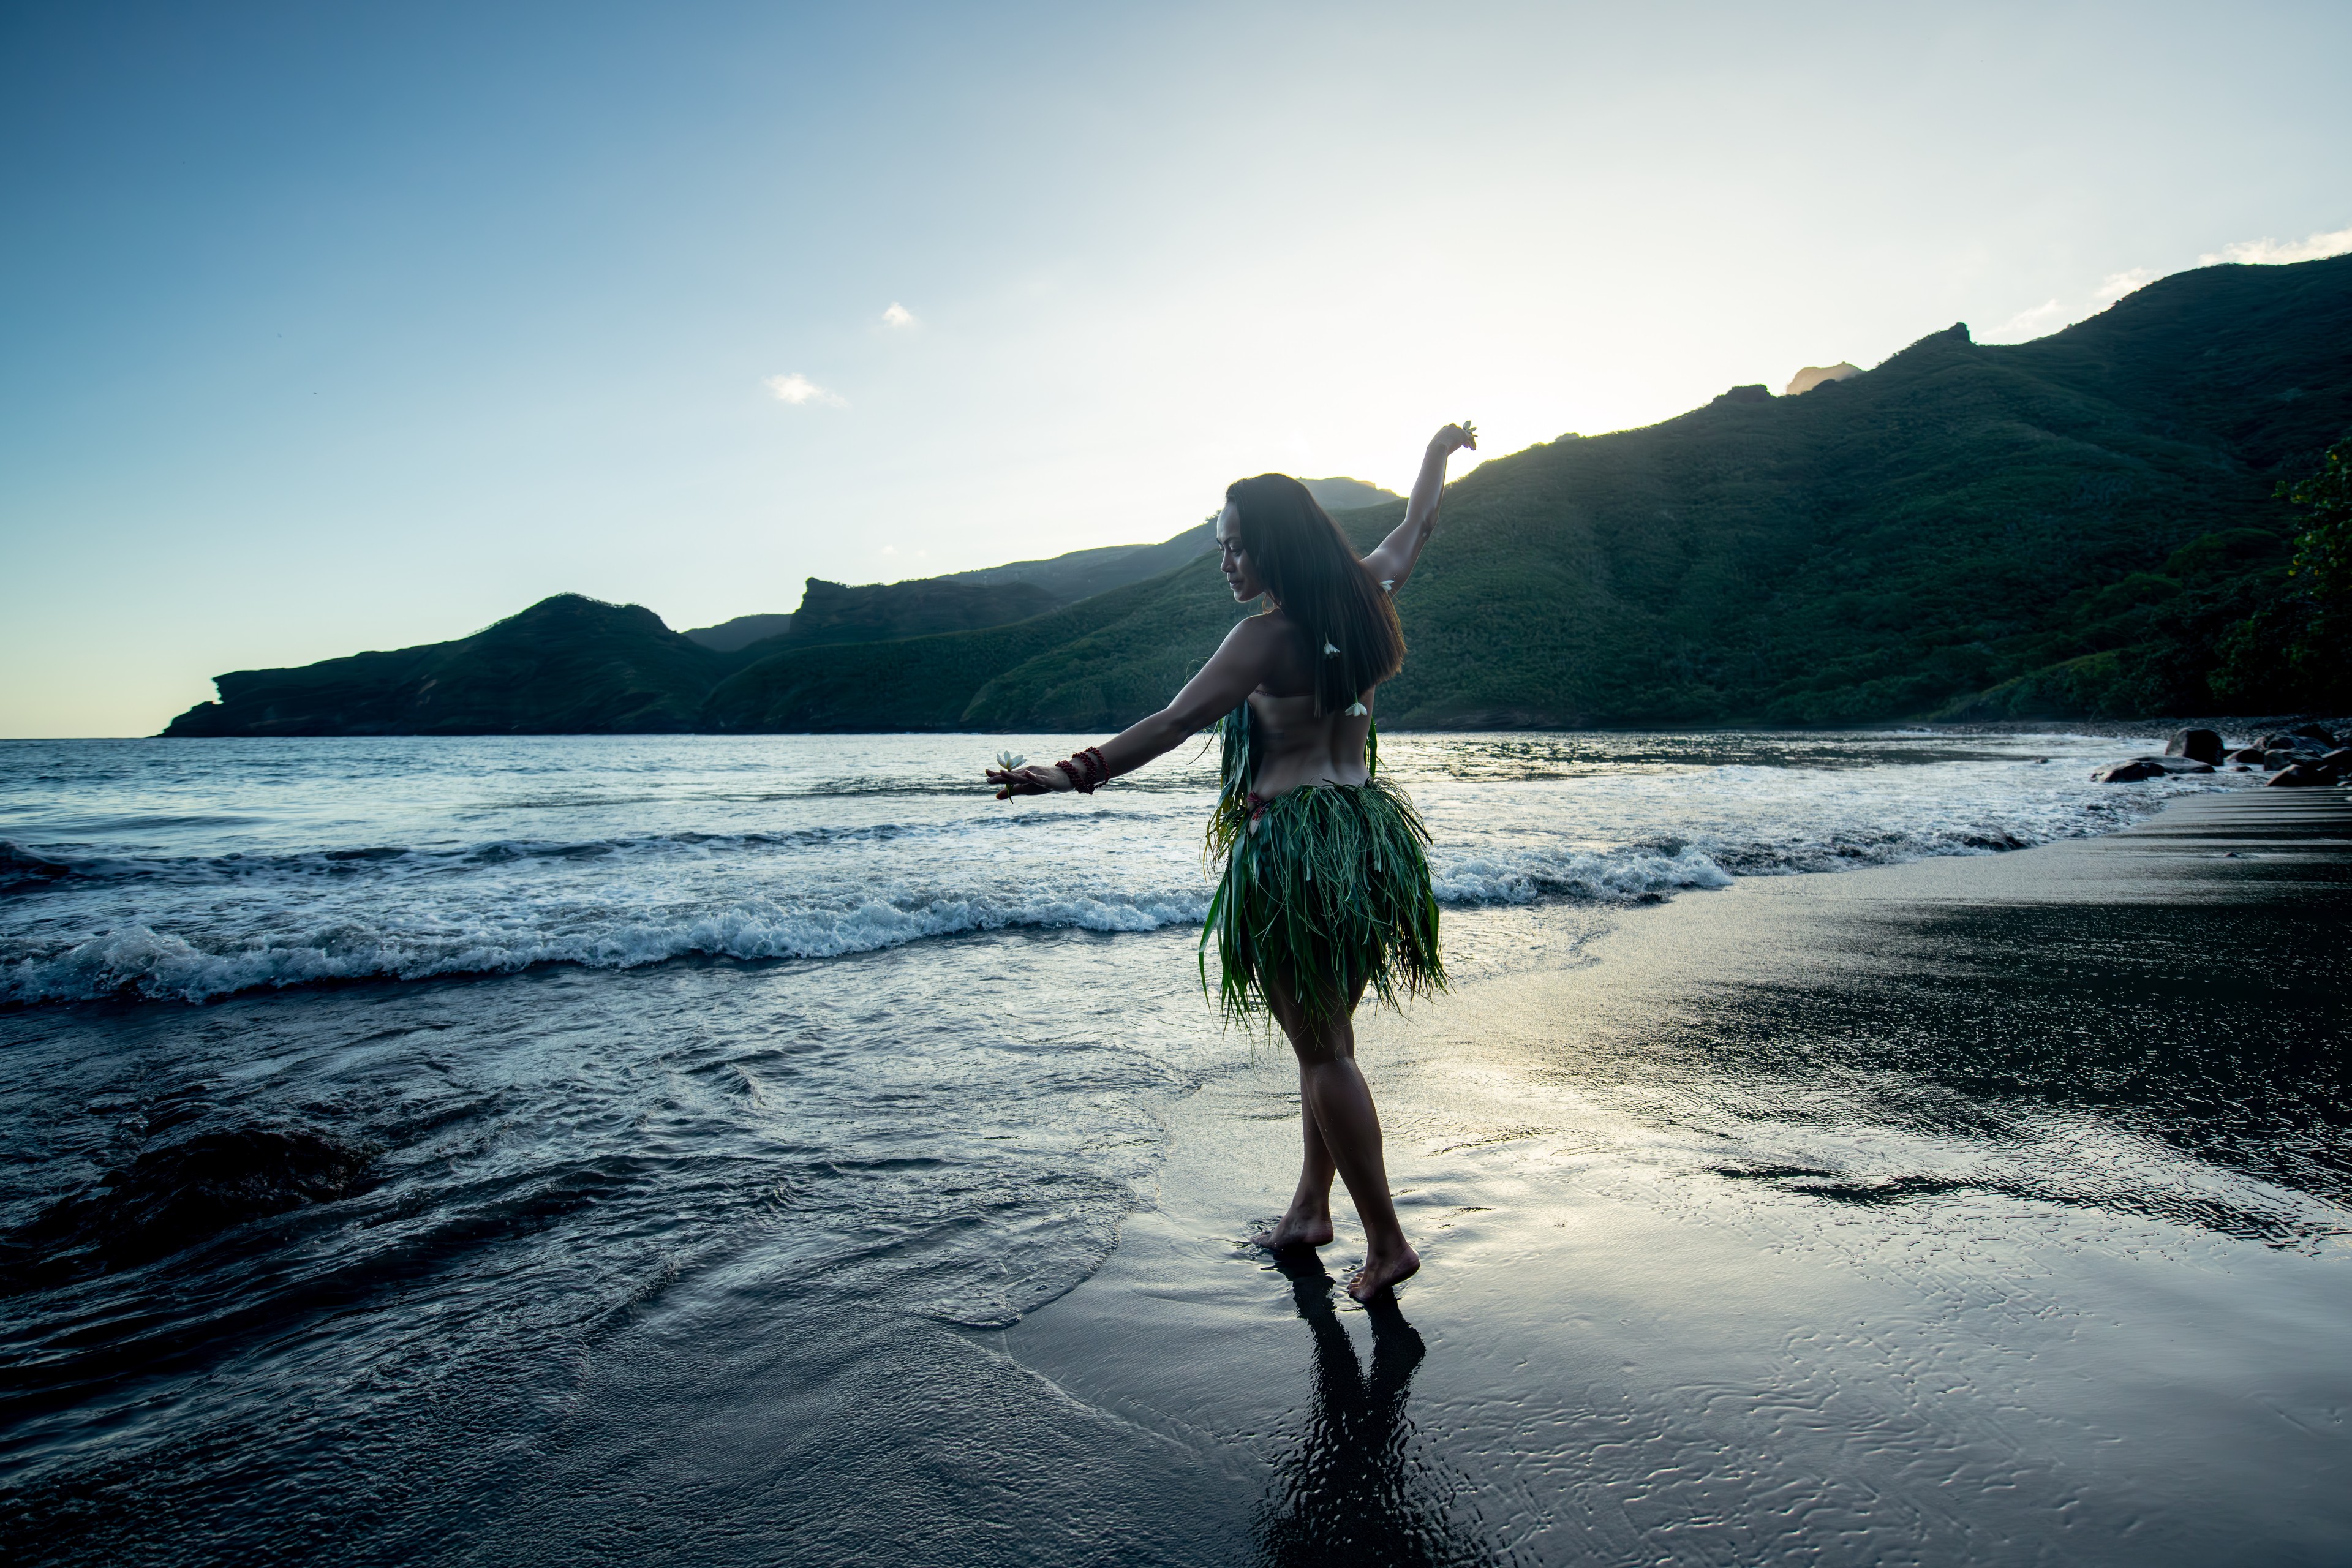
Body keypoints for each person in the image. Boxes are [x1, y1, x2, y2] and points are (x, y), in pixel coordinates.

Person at [987, 421, 1477, 1300]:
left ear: (1276, 547)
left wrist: (1064, 775)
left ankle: (1388, 1241)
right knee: (1326, 1043)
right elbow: (1417, 527)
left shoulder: (1263, 639)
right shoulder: (1369, 594)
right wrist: (1438, 457)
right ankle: (1308, 1213)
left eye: (1240, 548)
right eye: (1224, 548)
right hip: (1366, 841)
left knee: (1324, 1051)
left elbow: (1173, 724)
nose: (1229, 564)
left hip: (1294, 850)